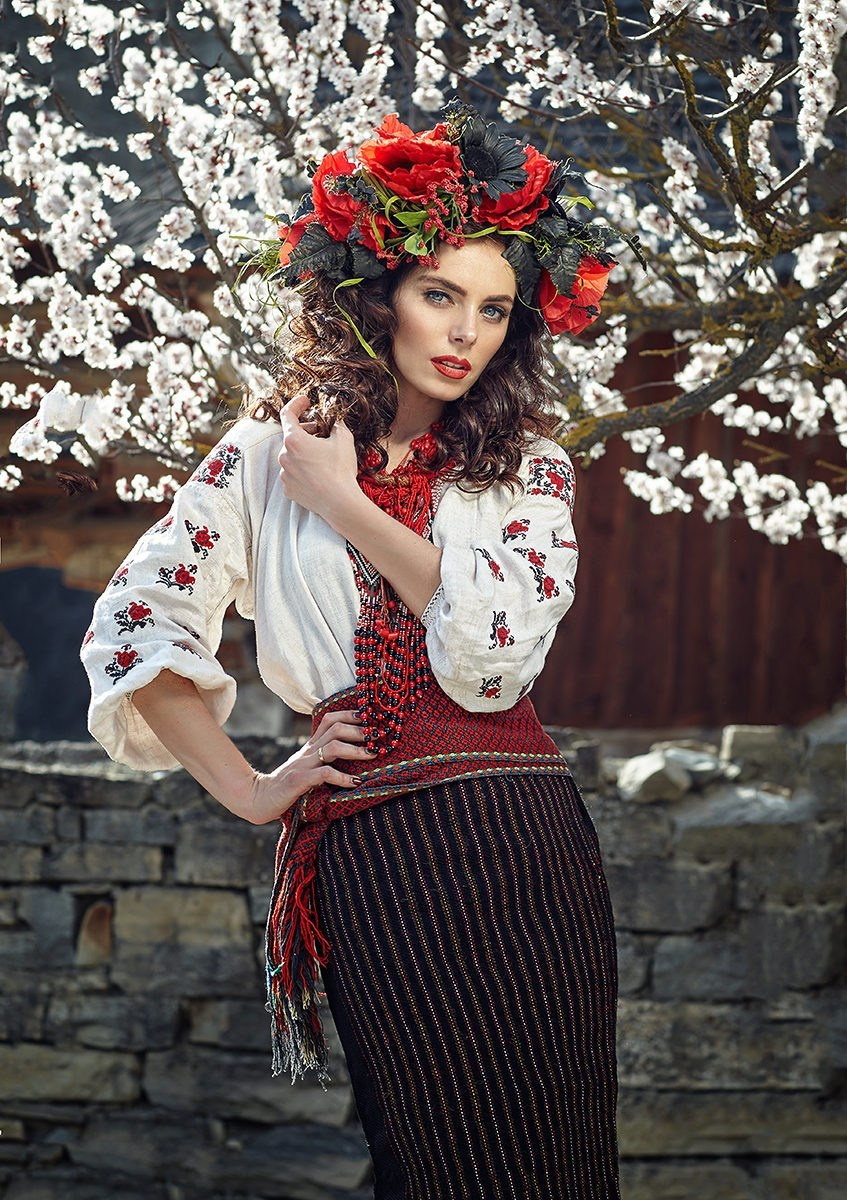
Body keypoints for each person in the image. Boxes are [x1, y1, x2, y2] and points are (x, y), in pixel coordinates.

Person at [81, 101, 622, 1200]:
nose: (464, 332)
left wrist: (347, 505)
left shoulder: (530, 473)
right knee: (428, 1162)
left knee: (561, 1171)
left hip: (526, 833)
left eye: (492, 309)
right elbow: (139, 618)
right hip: (379, 846)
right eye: (439, 294)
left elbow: (498, 651)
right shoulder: (260, 457)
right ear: (379, 294)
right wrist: (247, 787)